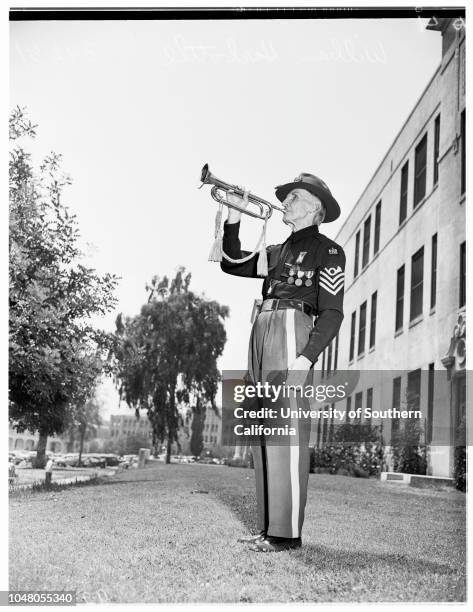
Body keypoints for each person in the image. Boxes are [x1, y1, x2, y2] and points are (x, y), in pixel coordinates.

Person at [220, 172, 345, 552]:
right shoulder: (277, 251)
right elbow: (232, 263)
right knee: (262, 431)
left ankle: (286, 534)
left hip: (294, 328)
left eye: (295, 197)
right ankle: (267, 528)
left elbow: (333, 313)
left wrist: (306, 358)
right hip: (261, 328)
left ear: (315, 209)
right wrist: (234, 218)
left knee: (286, 433)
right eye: (287, 197)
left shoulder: (329, 251)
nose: (286, 202)